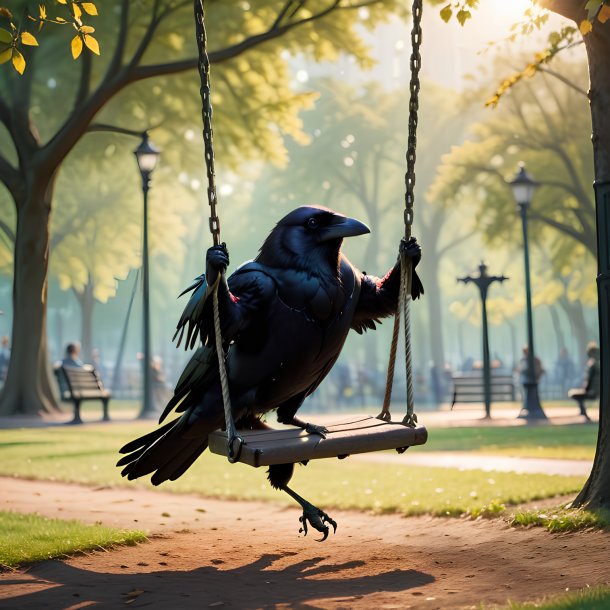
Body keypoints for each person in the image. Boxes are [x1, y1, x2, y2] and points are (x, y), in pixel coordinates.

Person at [568, 342, 600, 421]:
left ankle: (583, 413)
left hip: (593, 392)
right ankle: (583, 412)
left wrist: (585, 389)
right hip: (597, 391)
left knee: (573, 394)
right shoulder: (599, 364)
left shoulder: (593, 365)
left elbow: (589, 380)